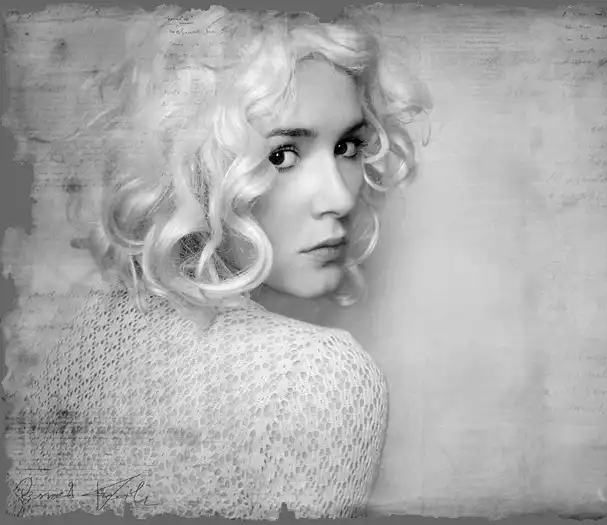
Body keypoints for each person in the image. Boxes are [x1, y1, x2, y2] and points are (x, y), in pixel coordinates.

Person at [4, 5, 431, 520]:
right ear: (193, 162)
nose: (340, 198)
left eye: (347, 146)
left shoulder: (54, 327)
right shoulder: (317, 379)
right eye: (282, 155)